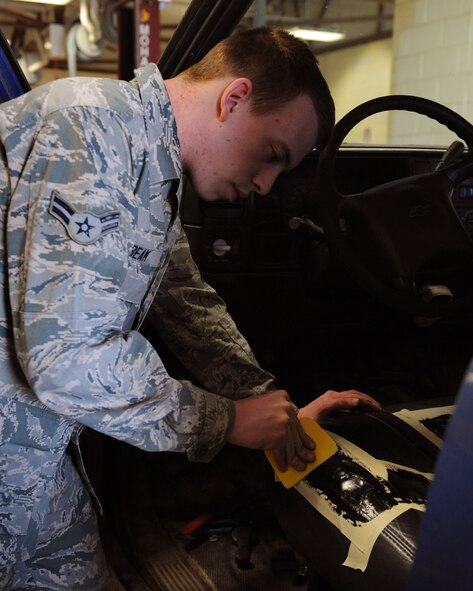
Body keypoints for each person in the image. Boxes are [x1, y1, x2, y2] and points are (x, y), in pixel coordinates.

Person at [0, 26, 380, 590]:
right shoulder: (93, 130)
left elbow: (186, 299)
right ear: (233, 98)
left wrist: (269, 409)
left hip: (30, 449)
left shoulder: (152, 162)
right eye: (272, 155)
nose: (267, 185)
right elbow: (68, 362)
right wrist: (226, 422)